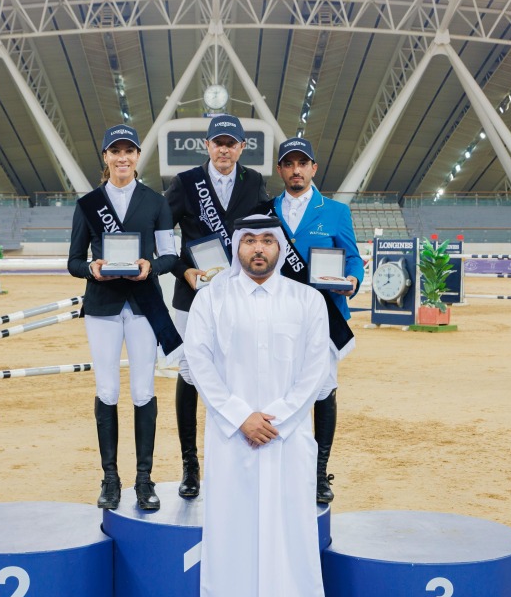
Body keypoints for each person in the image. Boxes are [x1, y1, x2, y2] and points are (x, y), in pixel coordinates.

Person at [184, 215, 333, 597]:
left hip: (288, 440)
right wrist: (241, 417)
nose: (259, 249)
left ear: (281, 248)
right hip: (233, 439)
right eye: (249, 241)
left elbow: (316, 371)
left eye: (268, 240)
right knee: (230, 532)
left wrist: (279, 421)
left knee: (295, 534)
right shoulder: (212, 299)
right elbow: (199, 362)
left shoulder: (308, 300)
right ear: (237, 249)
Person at [67, 124, 182, 512]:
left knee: (143, 390)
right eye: (115, 151)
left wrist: (151, 266)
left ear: (137, 157)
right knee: (108, 391)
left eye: (129, 151)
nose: (122, 158)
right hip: (102, 305)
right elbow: (72, 260)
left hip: (144, 306)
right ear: (105, 157)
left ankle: (144, 480)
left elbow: (170, 256)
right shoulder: (88, 204)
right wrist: (91, 268)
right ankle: (110, 479)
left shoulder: (155, 202)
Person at [164, 113, 270, 499]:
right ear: (207, 146)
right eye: (217, 142)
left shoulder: (255, 182)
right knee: (191, 374)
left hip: (238, 295)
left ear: (242, 147)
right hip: (193, 294)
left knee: (236, 373)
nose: (224, 149)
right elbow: (162, 236)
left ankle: (232, 464)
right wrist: (184, 271)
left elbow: (264, 235)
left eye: (231, 143)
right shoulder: (186, 183)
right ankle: (190, 466)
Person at [271, 137, 363, 505]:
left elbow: (353, 258)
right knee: (280, 388)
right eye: (288, 163)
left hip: (324, 315)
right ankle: (282, 466)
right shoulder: (267, 210)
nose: (296, 170)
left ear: (313, 168)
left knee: (323, 390)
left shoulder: (337, 211)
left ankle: (319, 472)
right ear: (280, 169)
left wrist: (353, 280)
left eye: (302, 163)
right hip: (277, 315)